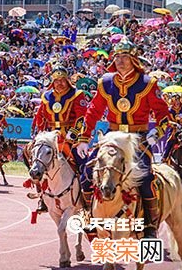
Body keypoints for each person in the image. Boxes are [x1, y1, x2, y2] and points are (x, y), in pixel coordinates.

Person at [74, 39, 172, 239]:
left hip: (138, 139)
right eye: (117, 57)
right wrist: (84, 138)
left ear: (134, 59)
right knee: (86, 173)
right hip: (112, 136)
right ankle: (88, 217)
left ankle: (150, 227)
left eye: (125, 57)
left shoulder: (148, 83)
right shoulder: (106, 82)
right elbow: (93, 111)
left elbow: (163, 114)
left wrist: (157, 133)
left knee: (145, 179)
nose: (120, 61)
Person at [30, 66, 88, 212]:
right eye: (56, 81)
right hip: (50, 138)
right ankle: (42, 196)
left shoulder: (77, 94)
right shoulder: (46, 96)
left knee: (83, 164)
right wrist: (40, 135)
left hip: (71, 138)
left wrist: (73, 133)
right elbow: (41, 117)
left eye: (62, 80)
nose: (59, 84)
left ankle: (86, 196)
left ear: (67, 80)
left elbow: (82, 117)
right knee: (34, 160)